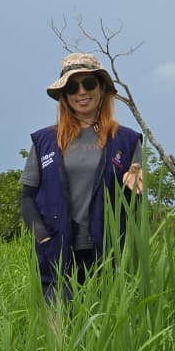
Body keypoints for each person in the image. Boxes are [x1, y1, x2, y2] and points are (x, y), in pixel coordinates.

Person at [21, 52, 143, 302]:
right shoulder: (45, 140)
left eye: (88, 84)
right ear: (64, 96)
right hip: (57, 251)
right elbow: (27, 198)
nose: (81, 92)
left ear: (102, 89)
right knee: (58, 333)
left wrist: (132, 191)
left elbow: (134, 206)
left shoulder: (127, 141)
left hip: (107, 253)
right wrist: (43, 235)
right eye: (72, 87)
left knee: (104, 331)